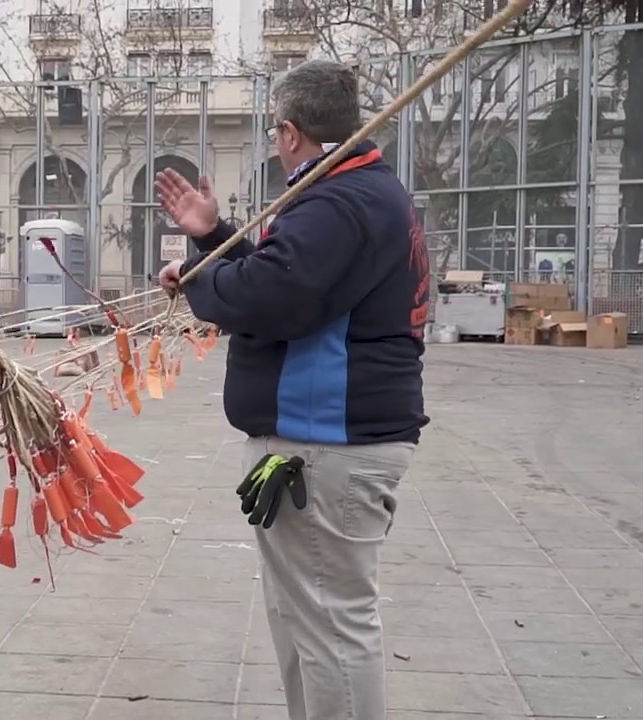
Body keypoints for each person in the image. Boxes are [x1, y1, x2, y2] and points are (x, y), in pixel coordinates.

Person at [155, 59, 429, 720]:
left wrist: (197, 282)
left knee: (331, 628)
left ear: (287, 132)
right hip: (323, 442)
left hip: (327, 444)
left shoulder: (343, 201)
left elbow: (275, 297)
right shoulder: (347, 193)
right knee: (308, 624)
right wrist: (213, 241)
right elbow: (292, 277)